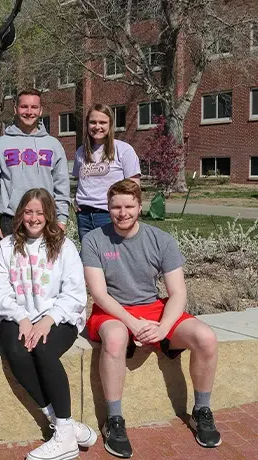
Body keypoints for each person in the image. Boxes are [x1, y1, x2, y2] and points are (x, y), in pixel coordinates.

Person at [82, 179, 220, 458]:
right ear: (108, 208)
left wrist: (163, 328)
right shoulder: (94, 240)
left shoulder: (161, 239)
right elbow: (99, 294)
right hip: (112, 311)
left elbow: (178, 292)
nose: (123, 213)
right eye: (116, 207)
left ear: (140, 206)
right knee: (115, 339)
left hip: (154, 309)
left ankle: (201, 410)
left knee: (206, 337)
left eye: (129, 206)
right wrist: (132, 324)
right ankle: (114, 420)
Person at [0, 188, 97, 460]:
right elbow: (0, 293)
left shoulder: (64, 246)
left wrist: (48, 320)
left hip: (60, 317)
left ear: (49, 214)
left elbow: (74, 294)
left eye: (40, 212)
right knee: (16, 351)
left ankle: (64, 435)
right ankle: (64, 425)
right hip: (18, 316)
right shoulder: (6, 246)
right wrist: (23, 318)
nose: (34, 218)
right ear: (20, 214)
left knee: (43, 349)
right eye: (28, 212)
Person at [0, 89, 70, 242]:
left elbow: (61, 184)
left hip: (44, 219)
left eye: (34, 107)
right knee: (10, 265)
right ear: (15, 109)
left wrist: (62, 219)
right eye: (24, 107)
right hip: (11, 219)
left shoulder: (53, 145)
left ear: (41, 110)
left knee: (45, 265)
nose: (29, 112)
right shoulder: (0, 145)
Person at [72, 104, 141, 242]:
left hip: (109, 215)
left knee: (113, 256)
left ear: (110, 125)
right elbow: (81, 181)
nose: (97, 126)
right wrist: (76, 201)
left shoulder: (124, 150)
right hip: (84, 215)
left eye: (103, 122)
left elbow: (134, 187)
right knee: (89, 256)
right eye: (93, 122)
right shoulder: (81, 151)